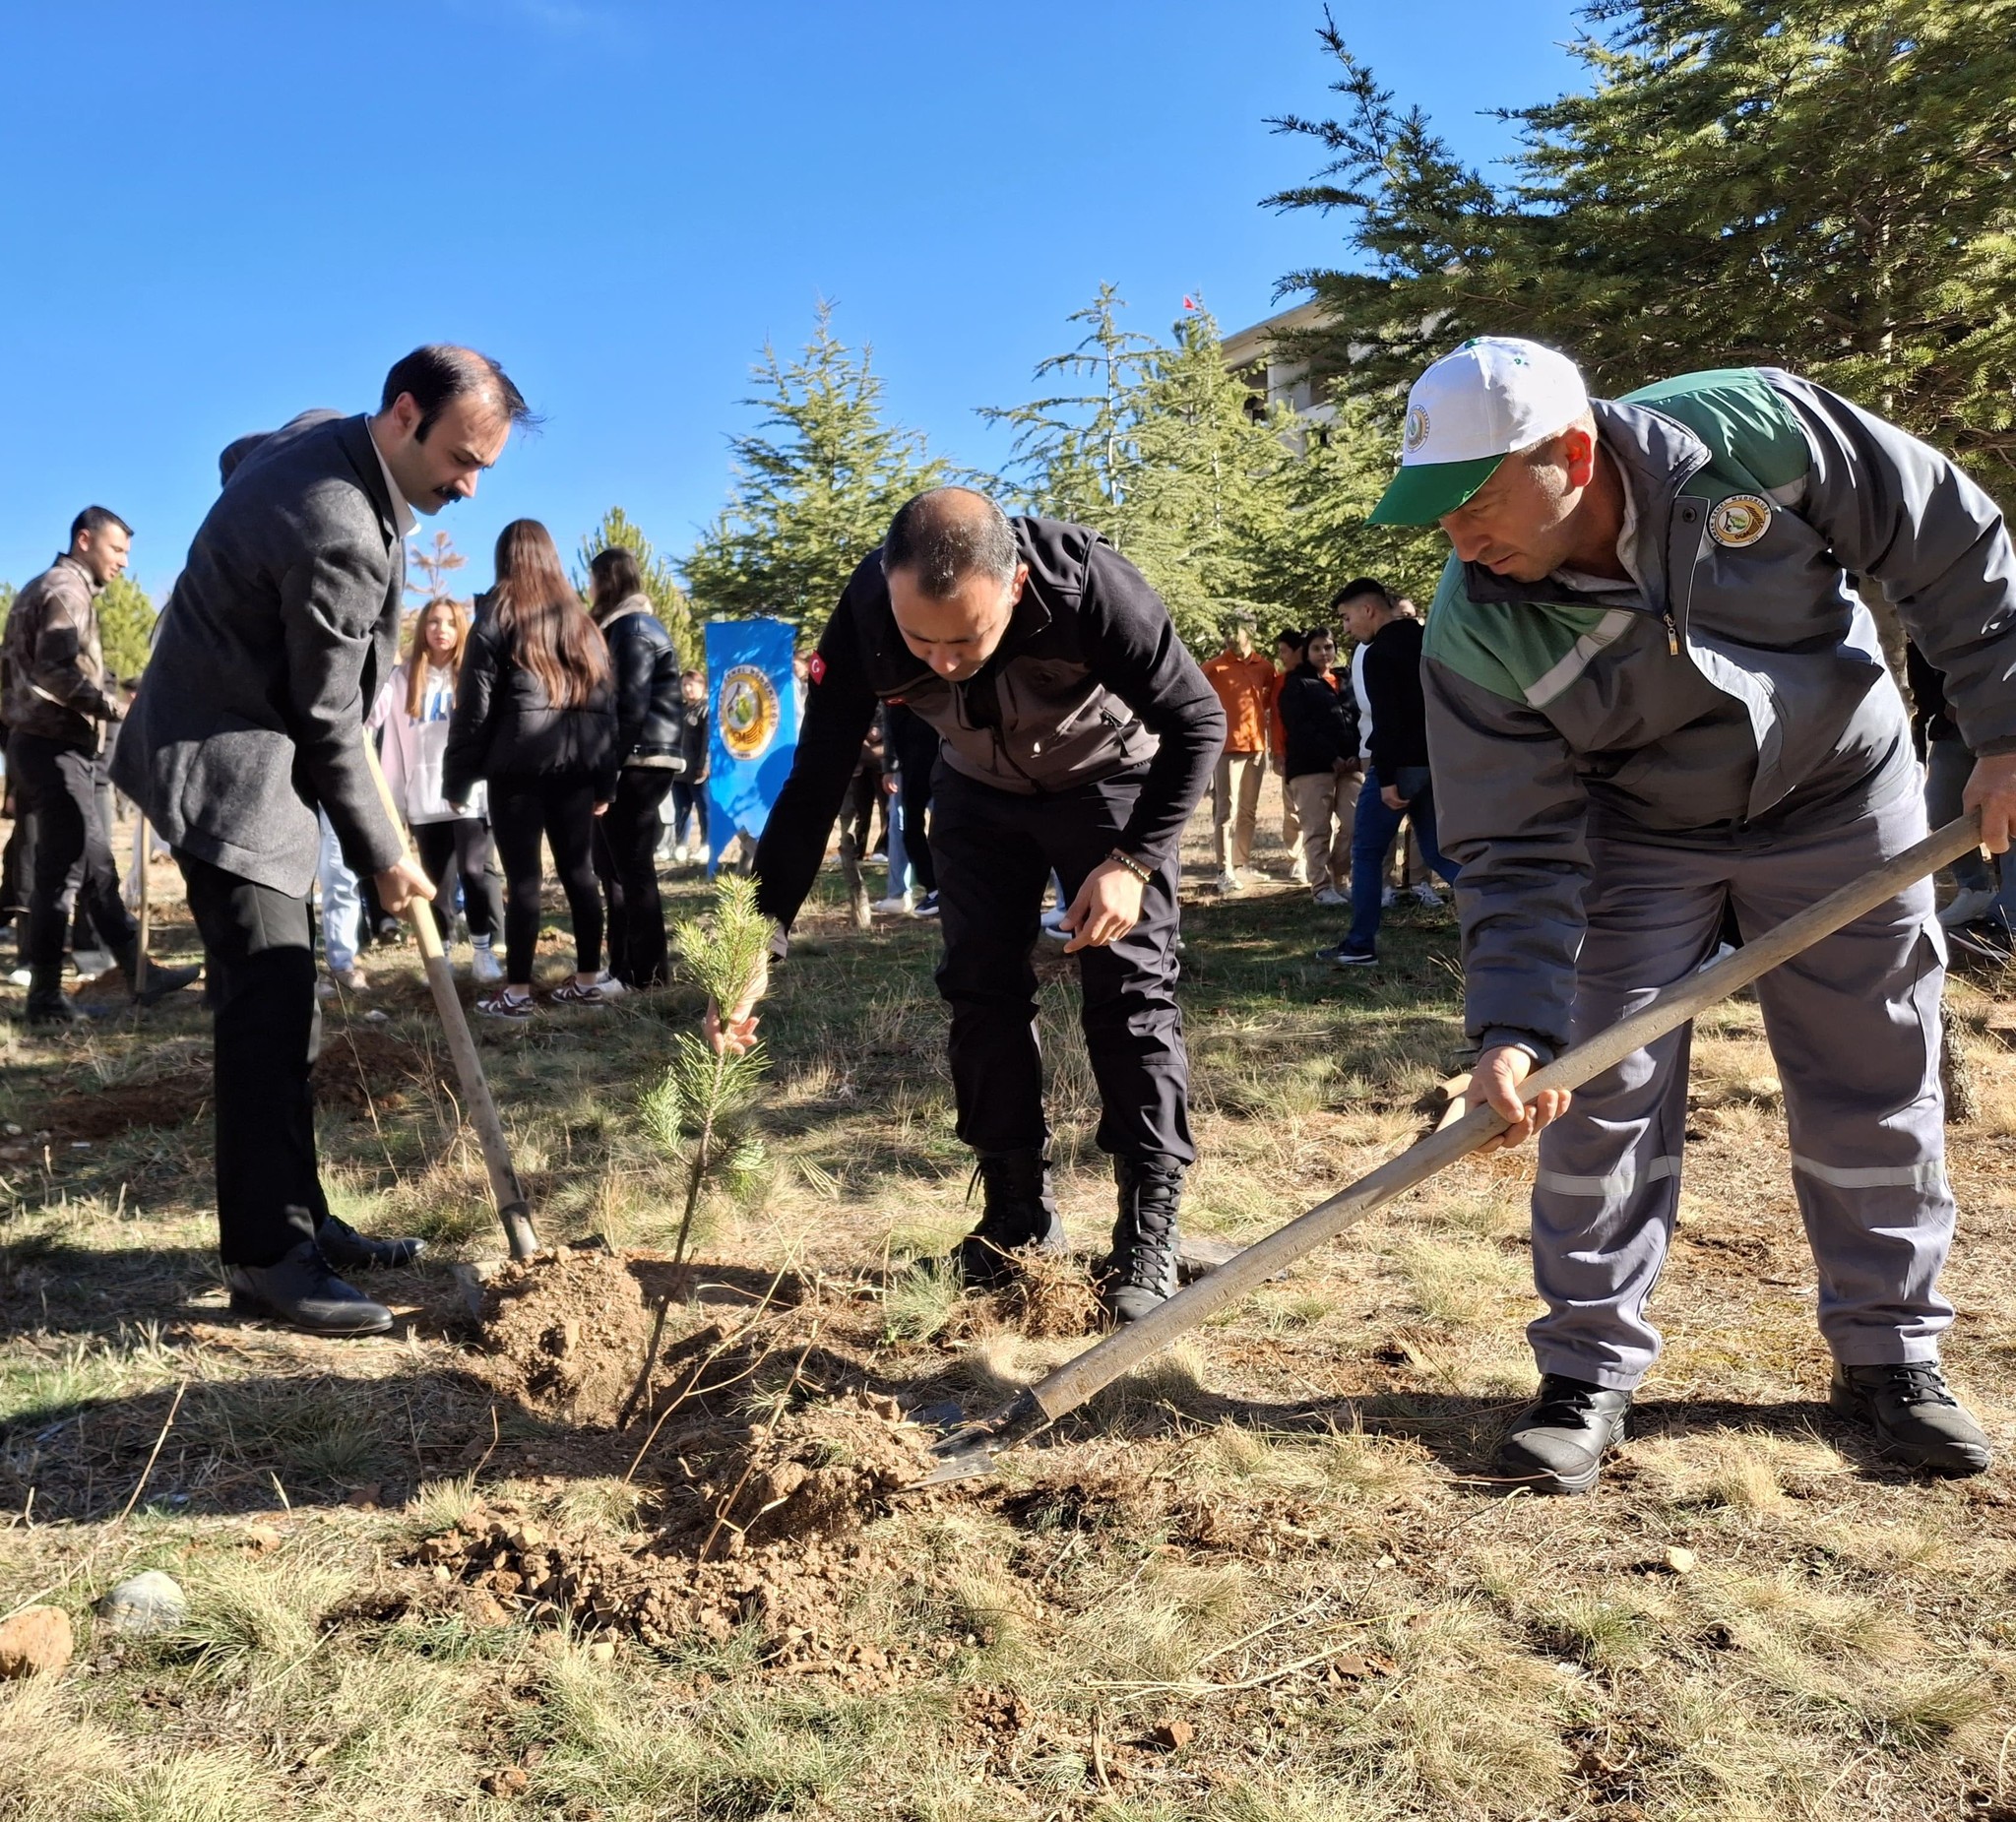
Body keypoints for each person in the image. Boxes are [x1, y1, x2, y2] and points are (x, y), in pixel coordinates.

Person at [1371, 333, 2016, 1489]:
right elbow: (1513, 847)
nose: (1454, 538)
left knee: (1870, 1075)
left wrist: (2007, 730)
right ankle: (1584, 1371)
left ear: (1568, 451)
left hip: (1838, 795)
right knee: (1591, 1084)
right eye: (1435, 511)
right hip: (1634, 833)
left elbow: (1949, 540)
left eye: (1472, 500)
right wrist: (1512, 1027)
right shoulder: (1474, 628)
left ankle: (1890, 1357)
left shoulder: (1756, 432)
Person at [714, 487, 1225, 1320]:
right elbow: (812, 783)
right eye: (923, 640)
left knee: (1131, 991)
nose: (945, 661)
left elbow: (1200, 718)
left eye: (968, 638)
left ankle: (1147, 1227)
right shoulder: (867, 612)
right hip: (977, 793)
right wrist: (756, 941)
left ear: (1015, 586)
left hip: (1108, 784)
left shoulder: (1087, 584)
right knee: (979, 991)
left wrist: (1132, 861)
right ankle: (1016, 1217)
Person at [115, 345, 531, 1334]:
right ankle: (267, 1258)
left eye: (485, 469)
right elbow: (328, 719)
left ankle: (302, 1219)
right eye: (459, 460)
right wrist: (388, 854)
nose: (467, 487)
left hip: (246, 740)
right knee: (265, 1004)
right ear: (402, 415)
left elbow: (238, 452)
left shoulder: (319, 433)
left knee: (292, 1004)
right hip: (224, 763)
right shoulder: (339, 524)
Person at [3, 508, 198, 1023]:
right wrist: (115, 709)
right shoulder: (65, 591)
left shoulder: (53, 588)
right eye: (117, 551)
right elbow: (56, 670)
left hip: (44, 745)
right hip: (53, 746)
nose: (123, 564)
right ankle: (45, 998)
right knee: (64, 873)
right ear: (85, 540)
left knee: (93, 867)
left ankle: (139, 972)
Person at [444, 519, 618, 1017]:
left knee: (523, 881)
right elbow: (607, 705)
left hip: (518, 765)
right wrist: (605, 777)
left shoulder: (497, 609)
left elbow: (473, 703)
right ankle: (588, 980)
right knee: (580, 872)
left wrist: (459, 776)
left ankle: (517, 992)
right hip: (578, 764)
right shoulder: (580, 619)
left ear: (505, 557)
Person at [1320, 578, 1460, 967]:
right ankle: (1504, 915)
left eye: (1347, 618)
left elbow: (1389, 721)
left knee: (1365, 852)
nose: (1346, 628)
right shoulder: (1426, 639)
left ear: (1369, 610)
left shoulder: (1380, 652)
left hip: (1400, 767)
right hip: (1436, 759)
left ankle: (1360, 944)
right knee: (1437, 850)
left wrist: (1386, 779)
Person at [376, 595, 505, 984]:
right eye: (433, 622)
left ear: (460, 628)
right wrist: (395, 800)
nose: (441, 630)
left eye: (450, 622)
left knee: (473, 870)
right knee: (437, 883)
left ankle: (483, 951)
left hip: (468, 795)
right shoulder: (404, 678)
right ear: (423, 629)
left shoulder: (473, 673)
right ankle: (443, 952)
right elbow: (393, 744)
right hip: (424, 798)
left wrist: (488, 789)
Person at [587, 547, 683, 989]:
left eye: (592, 580)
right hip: (636, 757)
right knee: (615, 869)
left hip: (637, 761)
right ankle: (623, 968)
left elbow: (629, 705)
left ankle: (644, 975)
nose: (589, 590)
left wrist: (606, 774)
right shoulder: (628, 627)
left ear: (607, 579)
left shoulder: (633, 628)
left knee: (632, 870)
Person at [1274, 627, 1360, 906]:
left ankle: (1340, 879)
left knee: (1354, 822)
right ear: (1306, 653)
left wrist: (1354, 754)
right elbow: (1300, 726)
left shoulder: (1347, 679)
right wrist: (1330, 756)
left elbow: (1359, 716)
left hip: (1351, 765)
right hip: (1312, 766)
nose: (1324, 653)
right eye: (1317, 648)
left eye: (1328, 647)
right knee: (1317, 828)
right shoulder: (1296, 684)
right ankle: (1321, 887)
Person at [1201, 614, 1275, 894]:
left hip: (1256, 747)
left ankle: (1242, 863)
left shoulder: (1264, 666)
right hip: (1226, 749)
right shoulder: (1213, 668)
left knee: (1248, 810)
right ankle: (1224, 870)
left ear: (1251, 631)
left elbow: (1266, 701)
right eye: (1226, 632)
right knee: (1225, 810)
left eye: (1237, 631)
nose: (1231, 637)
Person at [883, 698, 941, 917]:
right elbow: (891, 729)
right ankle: (935, 890)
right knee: (910, 831)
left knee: (943, 832)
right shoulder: (892, 690)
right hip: (912, 768)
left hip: (943, 762)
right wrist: (890, 766)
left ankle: (942, 890)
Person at [1268, 628, 1306, 883]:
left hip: (1321, 756)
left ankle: (1320, 859)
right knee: (1291, 810)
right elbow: (1276, 722)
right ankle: (1297, 860)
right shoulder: (1280, 681)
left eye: (1284, 651)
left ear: (1297, 652)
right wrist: (1278, 753)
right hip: (1290, 754)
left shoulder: (1325, 676)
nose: (1281, 657)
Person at [670, 668, 711, 863]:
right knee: (682, 810)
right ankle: (680, 845)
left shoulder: (706, 710)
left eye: (691, 685)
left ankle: (706, 844)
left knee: (704, 810)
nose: (687, 689)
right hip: (678, 770)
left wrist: (704, 765)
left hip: (698, 771)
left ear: (701, 686)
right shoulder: (679, 710)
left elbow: (707, 741)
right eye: (684, 685)